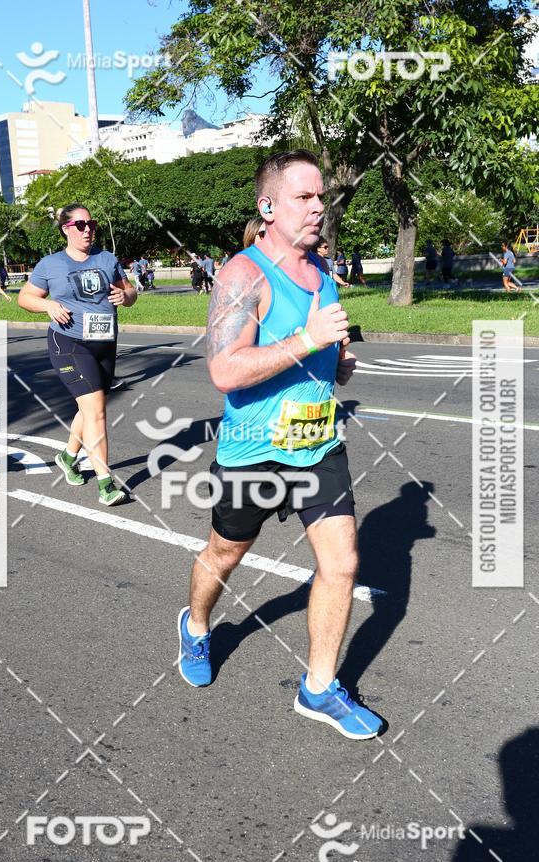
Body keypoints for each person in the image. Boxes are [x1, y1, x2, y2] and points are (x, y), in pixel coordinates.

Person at [177, 148, 383, 741]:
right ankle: (196, 625)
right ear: (268, 206)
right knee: (224, 555)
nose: (320, 206)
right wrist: (306, 338)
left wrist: (337, 359)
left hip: (318, 445)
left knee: (341, 563)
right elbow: (224, 371)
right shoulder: (243, 274)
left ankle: (318, 687)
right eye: (305, 196)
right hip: (253, 452)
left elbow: (321, 350)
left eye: (322, 196)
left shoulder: (321, 274)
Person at [18, 203, 137, 506]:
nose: (88, 230)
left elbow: (131, 292)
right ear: (66, 229)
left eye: (91, 224)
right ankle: (106, 484)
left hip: (105, 342)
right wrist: (48, 306)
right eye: (81, 225)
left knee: (89, 409)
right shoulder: (50, 264)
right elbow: (25, 297)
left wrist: (126, 296)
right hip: (69, 343)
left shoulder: (107, 258)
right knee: (96, 410)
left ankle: (67, 457)